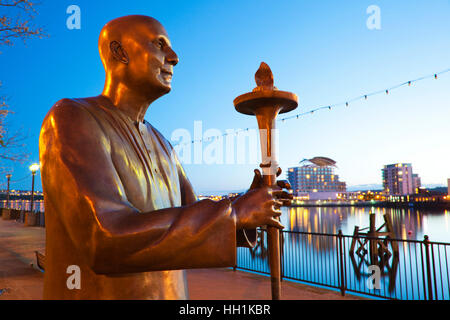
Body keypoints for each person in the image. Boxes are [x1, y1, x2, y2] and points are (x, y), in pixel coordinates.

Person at [39, 15, 291, 299]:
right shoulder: (72, 118)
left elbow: (189, 221)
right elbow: (104, 238)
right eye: (159, 45)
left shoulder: (164, 144)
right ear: (120, 52)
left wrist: (247, 204)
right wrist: (233, 214)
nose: (174, 58)